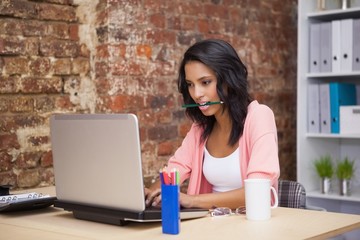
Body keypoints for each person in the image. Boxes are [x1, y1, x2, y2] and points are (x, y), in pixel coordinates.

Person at [145, 39, 280, 210]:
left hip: (251, 226)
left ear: (228, 80)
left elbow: (259, 191)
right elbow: (174, 171)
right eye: (190, 85)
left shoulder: (259, 117)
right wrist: (149, 194)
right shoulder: (200, 128)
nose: (196, 94)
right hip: (211, 225)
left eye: (205, 82)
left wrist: (192, 200)